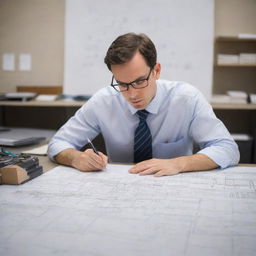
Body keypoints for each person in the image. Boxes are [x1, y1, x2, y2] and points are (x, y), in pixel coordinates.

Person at [48, 32, 239, 177]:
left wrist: (179, 163)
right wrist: (76, 158)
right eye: (122, 84)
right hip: (118, 189)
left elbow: (227, 148)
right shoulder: (103, 101)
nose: (132, 94)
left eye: (140, 81)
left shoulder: (186, 99)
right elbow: (57, 143)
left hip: (173, 187)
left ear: (156, 70)